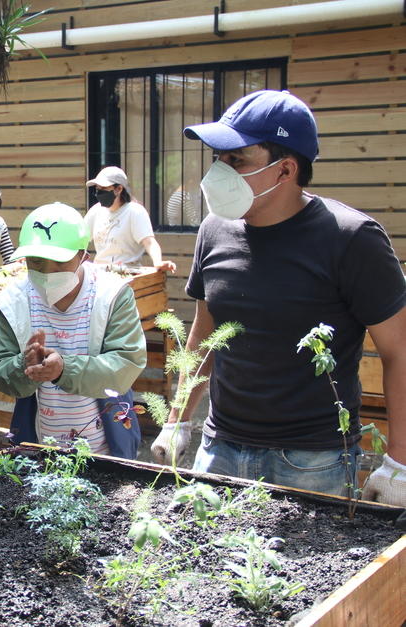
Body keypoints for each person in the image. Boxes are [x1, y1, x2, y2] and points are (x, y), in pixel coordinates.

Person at [150, 90, 406, 505]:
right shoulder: (214, 230)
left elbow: (400, 351)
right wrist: (177, 420)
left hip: (312, 461)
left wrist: (399, 462)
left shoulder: (351, 239)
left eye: (237, 160)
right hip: (220, 448)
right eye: (218, 157)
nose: (218, 171)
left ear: (285, 169)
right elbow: (204, 332)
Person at [0, 202, 147, 457]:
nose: (47, 272)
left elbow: (126, 364)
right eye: (36, 262)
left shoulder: (110, 296)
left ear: (83, 256)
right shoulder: (13, 302)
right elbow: (0, 372)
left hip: (107, 447)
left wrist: (64, 369)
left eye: (59, 263)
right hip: (38, 447)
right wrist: (23, 365)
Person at [85, 166, 176, 272]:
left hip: (126, 272)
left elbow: (149, 242)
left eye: (104, 188)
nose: (99, 192)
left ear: (119, 189)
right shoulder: (96, 211)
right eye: (98, 189)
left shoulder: (134, 211)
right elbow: (79, 238)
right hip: (99, 272)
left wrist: (157, 261)